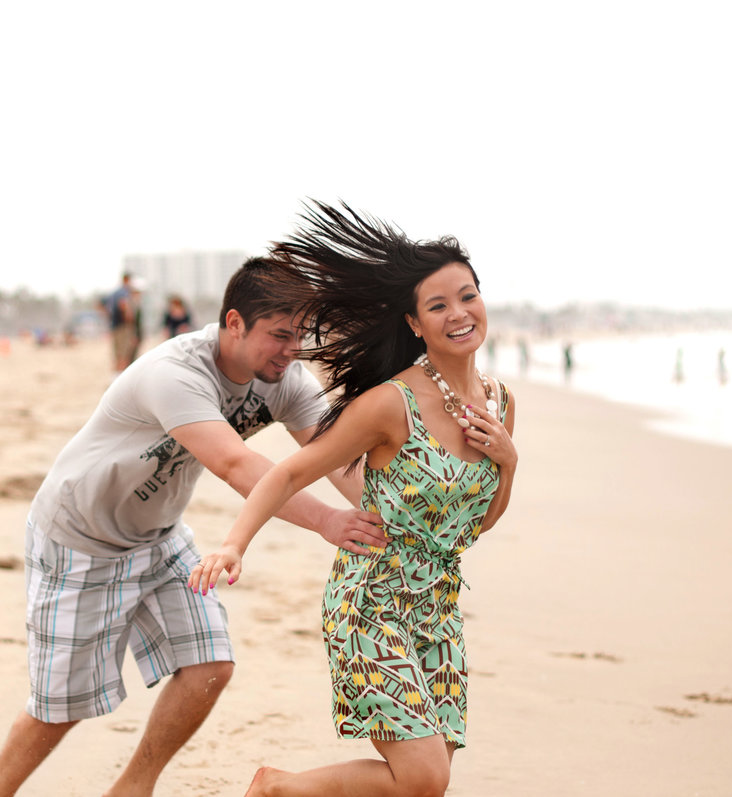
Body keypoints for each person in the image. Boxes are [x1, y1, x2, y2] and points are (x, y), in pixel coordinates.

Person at [0, 258, 386, 797]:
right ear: (234, 323)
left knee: (209, 665)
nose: (292, 350)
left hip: (161, 535)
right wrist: (328, 522)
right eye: (280, 336)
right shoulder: (176, 373)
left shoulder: (285, 381)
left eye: (300, 337)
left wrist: (394, 519)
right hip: (80, 537)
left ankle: (134, 786)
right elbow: (235, 465)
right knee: (59, 708)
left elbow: (334, 457)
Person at [192, 202, 519, 796]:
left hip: (438, 607)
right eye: (437, 305)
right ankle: (274, 788)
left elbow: (475, 526)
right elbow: (290, 473)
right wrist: (234, 544)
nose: (458, 314)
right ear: (415, 325)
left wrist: (508, 461)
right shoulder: (391, 404)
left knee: (420, 785)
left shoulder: (500, 402)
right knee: (422, 780)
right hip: (372, 600)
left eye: (467, 296)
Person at [102, 272, 141, 371]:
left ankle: (115, 376)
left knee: (117, 354)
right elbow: (124, 305)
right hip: (124, 327)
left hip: (115, 326)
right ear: (128, 280)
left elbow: (104, 307)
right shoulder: (124, 292)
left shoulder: (114, 293)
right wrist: (131, 321)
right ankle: (122, 376)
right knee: (125, 355)